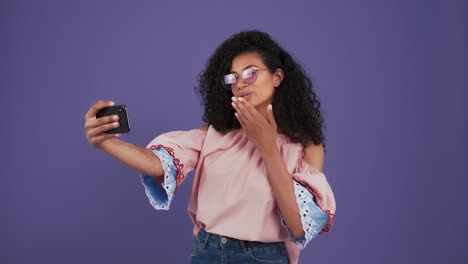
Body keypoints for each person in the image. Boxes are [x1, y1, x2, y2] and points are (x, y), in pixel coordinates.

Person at [84, 30, 336, 264]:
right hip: (208, 251)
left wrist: (267, 147)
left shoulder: (306, 146)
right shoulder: (215, 134)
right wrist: (107, 142)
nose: (241, 83)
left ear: (277, 76)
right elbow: (155, 163)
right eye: (232, 77)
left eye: (250, 72)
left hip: (264, 257)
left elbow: (298, 226)